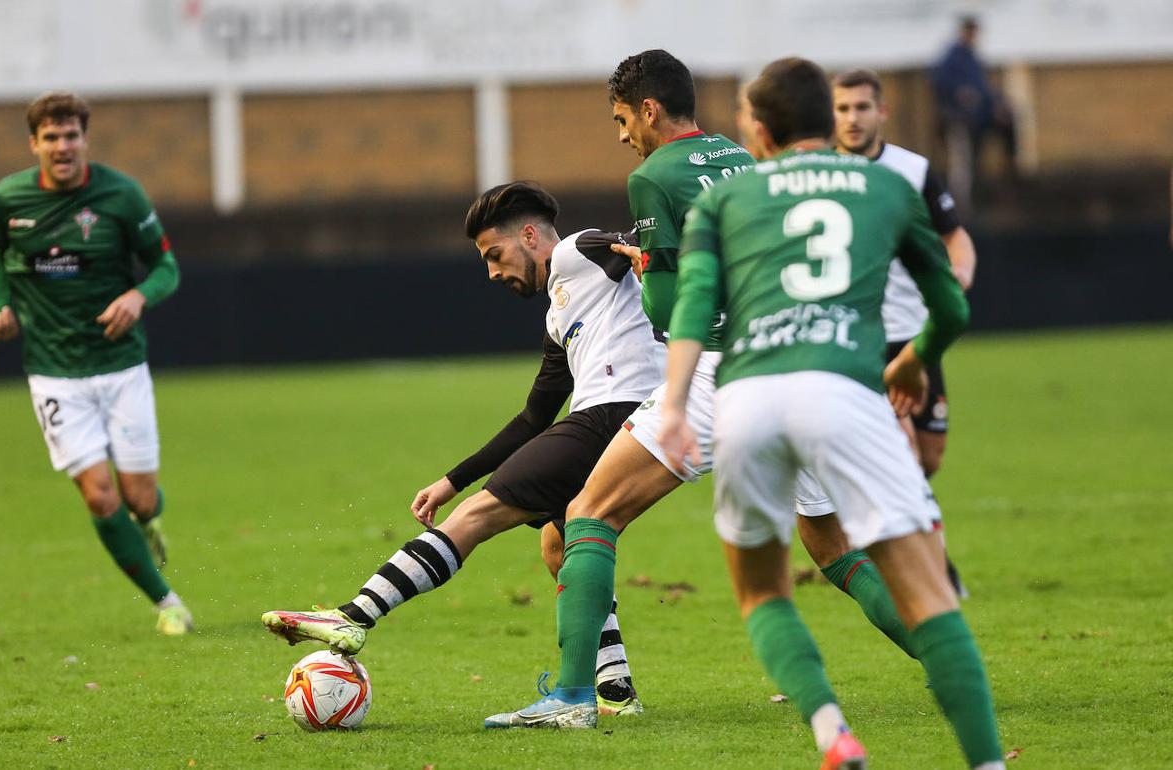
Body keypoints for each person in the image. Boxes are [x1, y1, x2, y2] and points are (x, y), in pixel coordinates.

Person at [484, 50, 918, 731]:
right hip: (802, 364)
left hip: (727, 369)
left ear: (650, 110)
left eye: (623, 118)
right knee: (833, 547)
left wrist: (651, 264)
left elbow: (662, 311)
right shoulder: (742, 156)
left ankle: (571, 699)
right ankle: (948, 651)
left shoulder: (653, 175)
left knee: (589, 515)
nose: (622, 134)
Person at [658, 57, 1003, 769]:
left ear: (758, 131)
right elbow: (952, 306)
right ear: (830, 119)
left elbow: (693, 304)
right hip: (846, 392)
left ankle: (830, 730)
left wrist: (672, 404)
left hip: (747, 399)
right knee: (928, 593)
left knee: (762, 592)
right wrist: (913, 360)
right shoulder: (883, 185)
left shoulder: (728, 198)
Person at [260, 182, 665, 716]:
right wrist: (451, 480)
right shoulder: (557, 319)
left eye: (495, 255)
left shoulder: (575, 252)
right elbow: (532, 419)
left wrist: (643, 252)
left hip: (616, 412)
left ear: (529, 235)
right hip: (634, 420)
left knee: (480, 515)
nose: (493, 272)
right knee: (558, 542)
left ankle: (354, 616)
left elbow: (628, 244)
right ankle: (614, 688)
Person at [0, 92, 191, 635]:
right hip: (54, 373)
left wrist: (138, 297)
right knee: (100, 496)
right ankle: (167, 602)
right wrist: (0, 307)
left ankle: (149, 519)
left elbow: (165, 266)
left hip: (121, 367)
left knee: (139, 499)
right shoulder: (9, 198)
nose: (62, 146)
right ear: (34, 144)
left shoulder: (120, 195)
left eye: (70, 135)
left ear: (84, 139)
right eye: (50, 137)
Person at [833, 67, 976, 595]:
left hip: (917, 335)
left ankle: (886, 532)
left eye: (861, 107)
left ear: (881, 112)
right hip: (860, 337)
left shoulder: (912, 170)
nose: (852, 118)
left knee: (929, 457)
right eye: (842, 109)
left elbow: (955, 237)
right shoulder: (821, 175)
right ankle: (932, 569)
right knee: (905, 453)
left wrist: (958, 274)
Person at [930, 15, 1018, 215]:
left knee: (1008, 124)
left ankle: (1010, 173)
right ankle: (964, 204)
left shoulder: (973, 58)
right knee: (966, 161)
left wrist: (998, 104)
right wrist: (959, 93)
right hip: (962, 119)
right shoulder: (951, 58)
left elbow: (984, 89)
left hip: (980, 118)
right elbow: (941, 83)